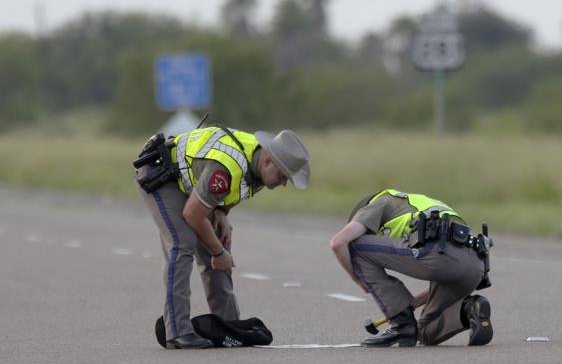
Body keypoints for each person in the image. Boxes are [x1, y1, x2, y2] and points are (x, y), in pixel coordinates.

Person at [135, 125, 310, 349]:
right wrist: (218, 253)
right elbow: (192, 214)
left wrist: (221, 213)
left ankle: (229, 327)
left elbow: (238, 189)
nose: (284, 183)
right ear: (268, 161)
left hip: (191, 184)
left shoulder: (258, 164)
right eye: (283, 176)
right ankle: (177, 332)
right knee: (183, 242)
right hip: (159, 176)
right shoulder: (227, 168)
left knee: (218, 236)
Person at [329, 189, 493, 347]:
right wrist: (407, 306)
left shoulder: (379, 201)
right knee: (426, 332)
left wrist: (357, 278)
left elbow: (338, 243)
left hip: (439, 254)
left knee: (355, 246)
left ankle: (402, 325)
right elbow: (440, 281)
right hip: (475, 265)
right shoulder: (415, 204)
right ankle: (470, 309)